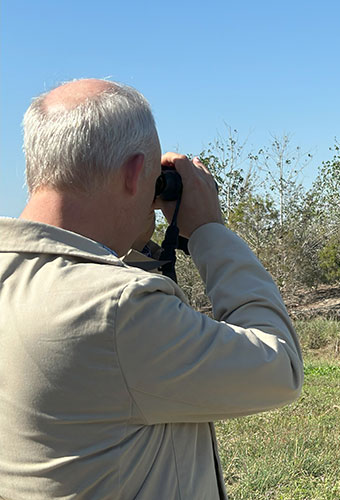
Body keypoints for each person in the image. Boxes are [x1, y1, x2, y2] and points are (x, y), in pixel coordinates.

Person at [0, 79, 304, 499]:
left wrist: (137, 244)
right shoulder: (119, 310)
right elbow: (280, 366)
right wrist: (209, 231)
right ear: (133, 173)